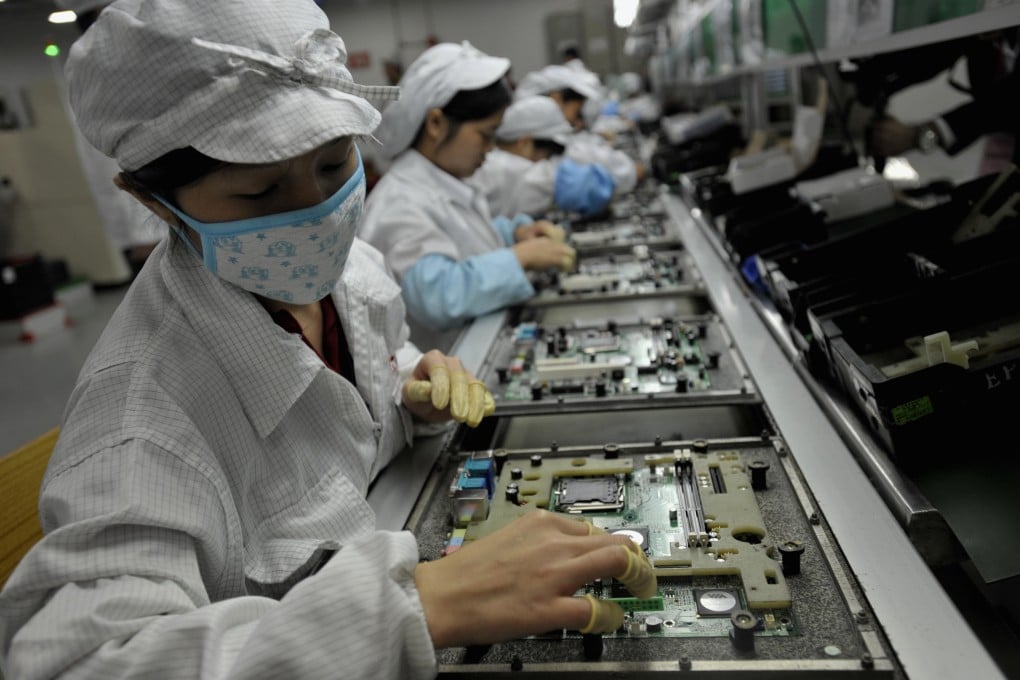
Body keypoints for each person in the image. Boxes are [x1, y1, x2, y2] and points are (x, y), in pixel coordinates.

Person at [0, 3, 655, 680]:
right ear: (151, 201)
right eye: (259, 191)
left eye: (336, 162)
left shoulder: (349, 270)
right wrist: (405, 609)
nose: (315, 211)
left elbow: (349, 408)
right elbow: (79, 663)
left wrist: (409, 394)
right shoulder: (139, 424)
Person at [358, 42, 577, 353]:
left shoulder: (443, 180)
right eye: (485, 136)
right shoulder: (399, 202)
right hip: (441, 361)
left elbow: (459, 240)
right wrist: (520, 258)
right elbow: (437, 295)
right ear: (436, 124)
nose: (490, 149)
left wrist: (513, 235)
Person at [868, 28, 1018, 177]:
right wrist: (875, 79)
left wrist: (926, 133)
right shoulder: (989, 35)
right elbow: (939, 52)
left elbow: (1005, 103)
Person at [469, 94, 616, 218]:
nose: (546, 163)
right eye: (547, 156)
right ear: (524, 143)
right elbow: (551, 181)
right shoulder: (504, 170)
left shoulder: (496, 164)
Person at [514, 64, 646, 195]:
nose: (578, 121)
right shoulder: (540, 137)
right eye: (577, 111)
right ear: (557, 98)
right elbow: (574, 155)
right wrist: (627, 171)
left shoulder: (534, 127)